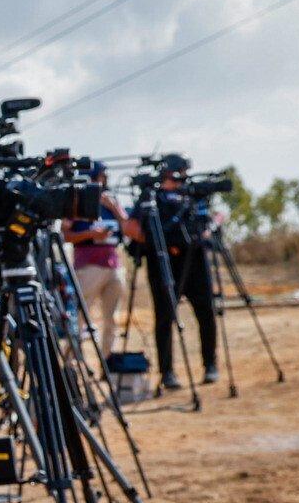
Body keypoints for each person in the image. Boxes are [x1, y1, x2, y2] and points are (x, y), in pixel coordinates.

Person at [127, 155, 219, 388]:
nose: (184, 176)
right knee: (164, 318)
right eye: (181, 171)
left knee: (206, 312)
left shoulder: (193, 196)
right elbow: (134, 229)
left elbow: (207, 223)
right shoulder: (150, 198)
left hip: (195, 259)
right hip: (162, 261)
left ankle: (210, 365)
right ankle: (167, 372)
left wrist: (212, 226)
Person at [63, 161, 127, 346]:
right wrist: (91, 234)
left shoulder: (110, 201)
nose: (105, 179)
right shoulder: (77, 202)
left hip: (113, 264)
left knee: (112, 319)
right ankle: (71, 363)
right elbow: (65, 235)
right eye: (102, 175)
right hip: (88, 266)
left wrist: (113, 206)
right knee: (80, 318)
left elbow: (127, 226)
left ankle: (109, 363)